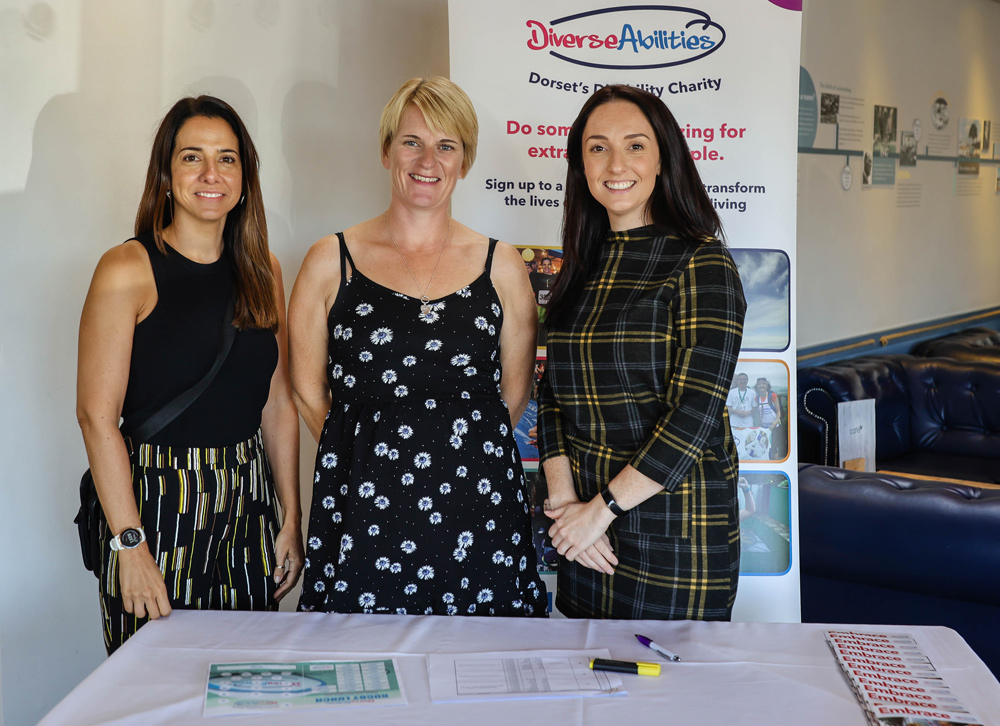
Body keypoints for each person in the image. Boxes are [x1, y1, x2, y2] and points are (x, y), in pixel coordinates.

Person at [289, 77, 546, 617]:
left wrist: (448, 453)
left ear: (464, 160)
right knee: (361, 677)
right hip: (364, 509)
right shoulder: (328, 261)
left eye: (446, 145)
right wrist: (374, 459)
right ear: (386, 151)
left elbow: (513, 397)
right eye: (412, 141)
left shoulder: (501, 266)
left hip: (479, 509)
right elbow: (309, 395)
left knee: (484, 678)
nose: (428, 159)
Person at [76, 96, 304, 654]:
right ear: (166, 172)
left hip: (248, 497)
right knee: (154, 680)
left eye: (227, 159)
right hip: (155, 500)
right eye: (191, 157)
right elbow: (96, 417)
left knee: (244, 681)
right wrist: (129, 546)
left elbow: (276, 402)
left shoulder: (264, 270)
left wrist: (291, 514)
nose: (210, 174)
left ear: (245, 178)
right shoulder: (127, 268)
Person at [537, 85, 746, 620]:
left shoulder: (703, 263)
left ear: (663, 158)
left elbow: (695, 414)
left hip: (676, 529)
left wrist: (600, 510)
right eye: (597, 147)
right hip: (585, 535)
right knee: (589, 690)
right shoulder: (581, 266)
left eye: (634, 145)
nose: (615, 163)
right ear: (580, 165)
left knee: (670, 694)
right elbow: (554, 395)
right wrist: (566, 510)